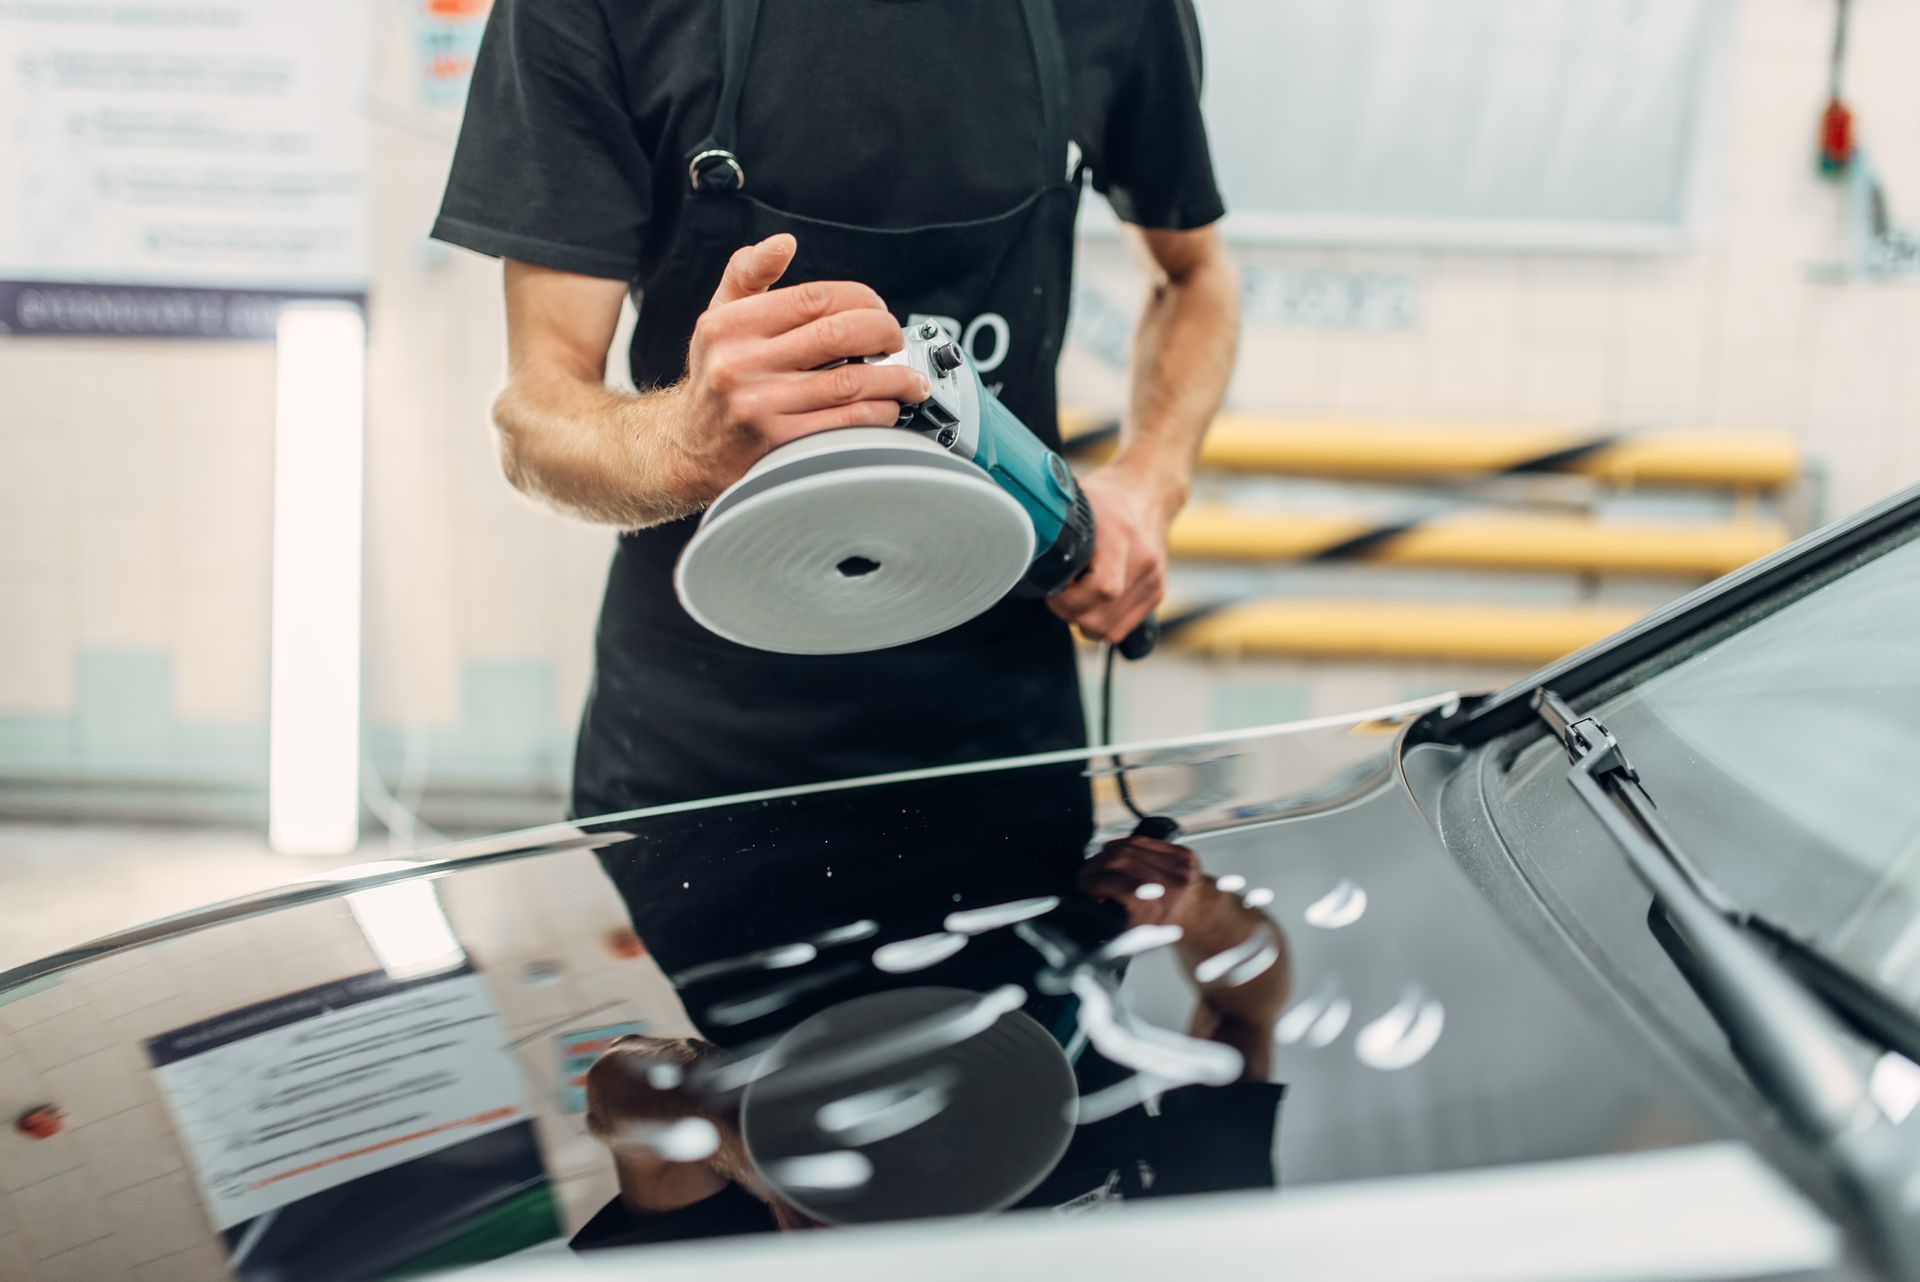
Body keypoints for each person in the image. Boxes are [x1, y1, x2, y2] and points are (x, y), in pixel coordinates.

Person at [432, 0, 1240, 815]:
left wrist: (1148, 484)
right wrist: (681, 443)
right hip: (696, 735)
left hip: (999, 720)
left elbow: (1196, 276)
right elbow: (534, 414)